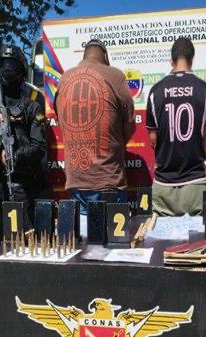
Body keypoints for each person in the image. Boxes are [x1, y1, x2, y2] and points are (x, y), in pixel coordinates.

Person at [0, 44, 47, 247]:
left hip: (22, 181)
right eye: (3, 64)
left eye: (11, 64)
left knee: (24, 238)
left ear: (21, 70)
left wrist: (15, 156)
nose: (7, 69)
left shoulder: (32, 106)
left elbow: (39, 146)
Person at [54, 38, 135, 214]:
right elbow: (130, 125)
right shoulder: (116, 75)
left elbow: (61, 122)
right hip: (108, 179)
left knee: (85, 238)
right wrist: (116, 143)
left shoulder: (63, 79)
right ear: (105, 56)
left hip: (76, 180)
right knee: (114, 238)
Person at [145, 37, 206, 216]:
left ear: (171, 60)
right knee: (197, 243)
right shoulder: (205, 90)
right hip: (195, 183)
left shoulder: (155, 92)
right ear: (192, 60)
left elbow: (153, 139)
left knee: (160, 242)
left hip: (163, 184)